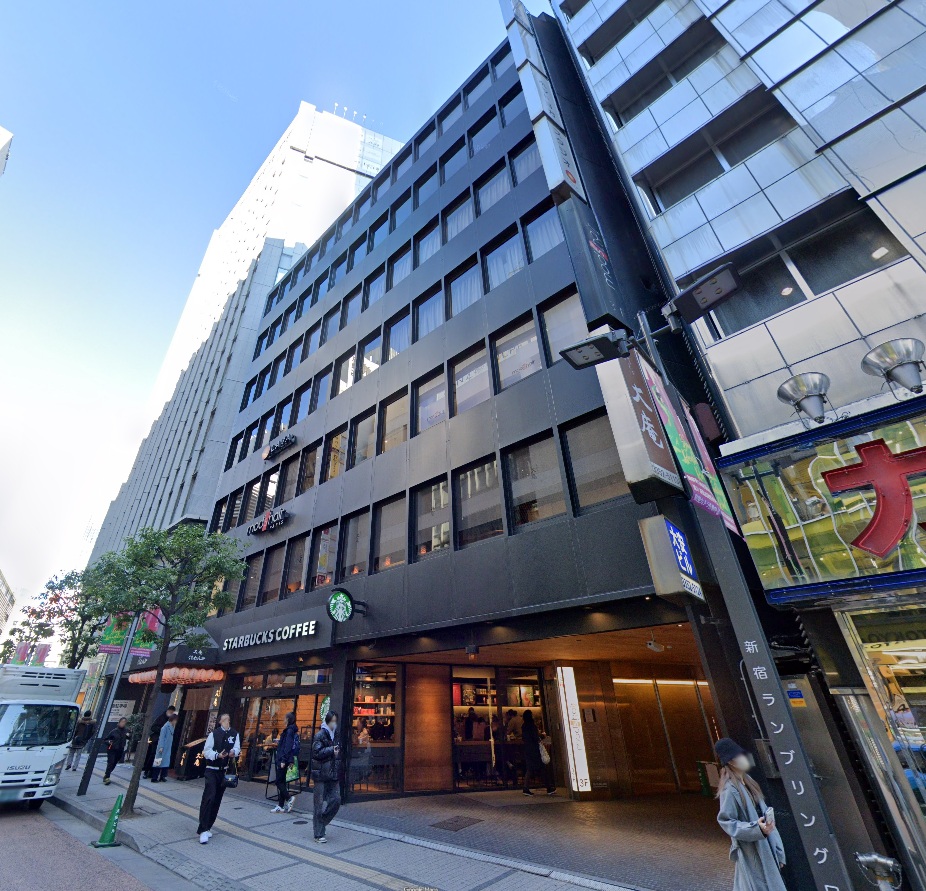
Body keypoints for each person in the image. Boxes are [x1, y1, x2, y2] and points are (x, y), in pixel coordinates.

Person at [715, 738, 786, 891]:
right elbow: (726, 821)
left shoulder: (749, 781)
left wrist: (779, 852)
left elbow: (768, 819)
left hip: (766, 847)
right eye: (739, 755)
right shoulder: (729, 790)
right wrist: (756, 828)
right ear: (731, 761)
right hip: (752, 852)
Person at [197, 714, 240, 844]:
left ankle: (208, 826)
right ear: (220, 721)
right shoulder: (214, 734)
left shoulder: (234, 734)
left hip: (224, 770)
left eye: (228, 720)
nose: (227, 722)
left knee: (217, 799)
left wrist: (233, 752)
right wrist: (217, 755)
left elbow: (237, 748)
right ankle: (203, 828)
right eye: (224, 720)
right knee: (209, 797)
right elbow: (206, 751)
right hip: (211, 769)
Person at [310, 711, 341, 843]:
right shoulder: (320, 735)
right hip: (321, 775)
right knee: (318, 804)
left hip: (332, 774)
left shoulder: (336, 734)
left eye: (335, 720)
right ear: (328, 721)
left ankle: (321, 822)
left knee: (336, 800)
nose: (334, 723)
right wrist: (331, 750)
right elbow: (316, 752)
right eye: (332, 720)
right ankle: (318, 834)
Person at [520, 710, 555, 796]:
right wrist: (542, 736)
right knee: (542, 768)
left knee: (530, 768)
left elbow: (525, 738)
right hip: (534, 750)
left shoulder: (524, 726)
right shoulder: (532, 726)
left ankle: (526, 788)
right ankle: (548, 788)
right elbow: (535, 737)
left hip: (528, 749)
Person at [272, 711, 300, 814]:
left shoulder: (289, 731)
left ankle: (289, 798)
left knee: (278, 781)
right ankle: (280, 805)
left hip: (283, 759)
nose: (283, 720)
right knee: (282, 781)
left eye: (285, 718)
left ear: (288, 719)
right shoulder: (292, 730)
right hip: (287, 758)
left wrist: (283, 760)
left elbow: (288, 746)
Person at [143, 705, 177, 778]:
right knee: (153, 756)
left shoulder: (170, 721)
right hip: (156, 739)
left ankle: (157, 774)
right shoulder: (161, 718)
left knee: (162, 758)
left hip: (165, 741)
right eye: (170, 712)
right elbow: (153, 727)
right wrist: (162, 731)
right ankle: (147, 771)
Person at [151, 713, 178, 782]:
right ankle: (154, 777)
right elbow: (162, 738)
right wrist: (161, 746)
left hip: (167, 747)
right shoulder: (165, 727)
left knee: (165, 762)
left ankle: (162, 776)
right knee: (158, 762)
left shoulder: (171, 727)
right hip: (163, 747)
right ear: (173, 720)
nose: (176, 722)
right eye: (175, 720)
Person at [102, 717, 129, 785]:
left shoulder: (126, 731)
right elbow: (105, 739)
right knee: (111, 762)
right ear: (119, 722)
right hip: (112, 749)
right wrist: (109, 742)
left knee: (114, 763)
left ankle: (107, 774)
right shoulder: (114, 731)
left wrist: (129, 735)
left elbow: (130, 737)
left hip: (120, 750)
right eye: (122, 722)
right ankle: (107, 777)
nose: (123, 723)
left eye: (124, 722)